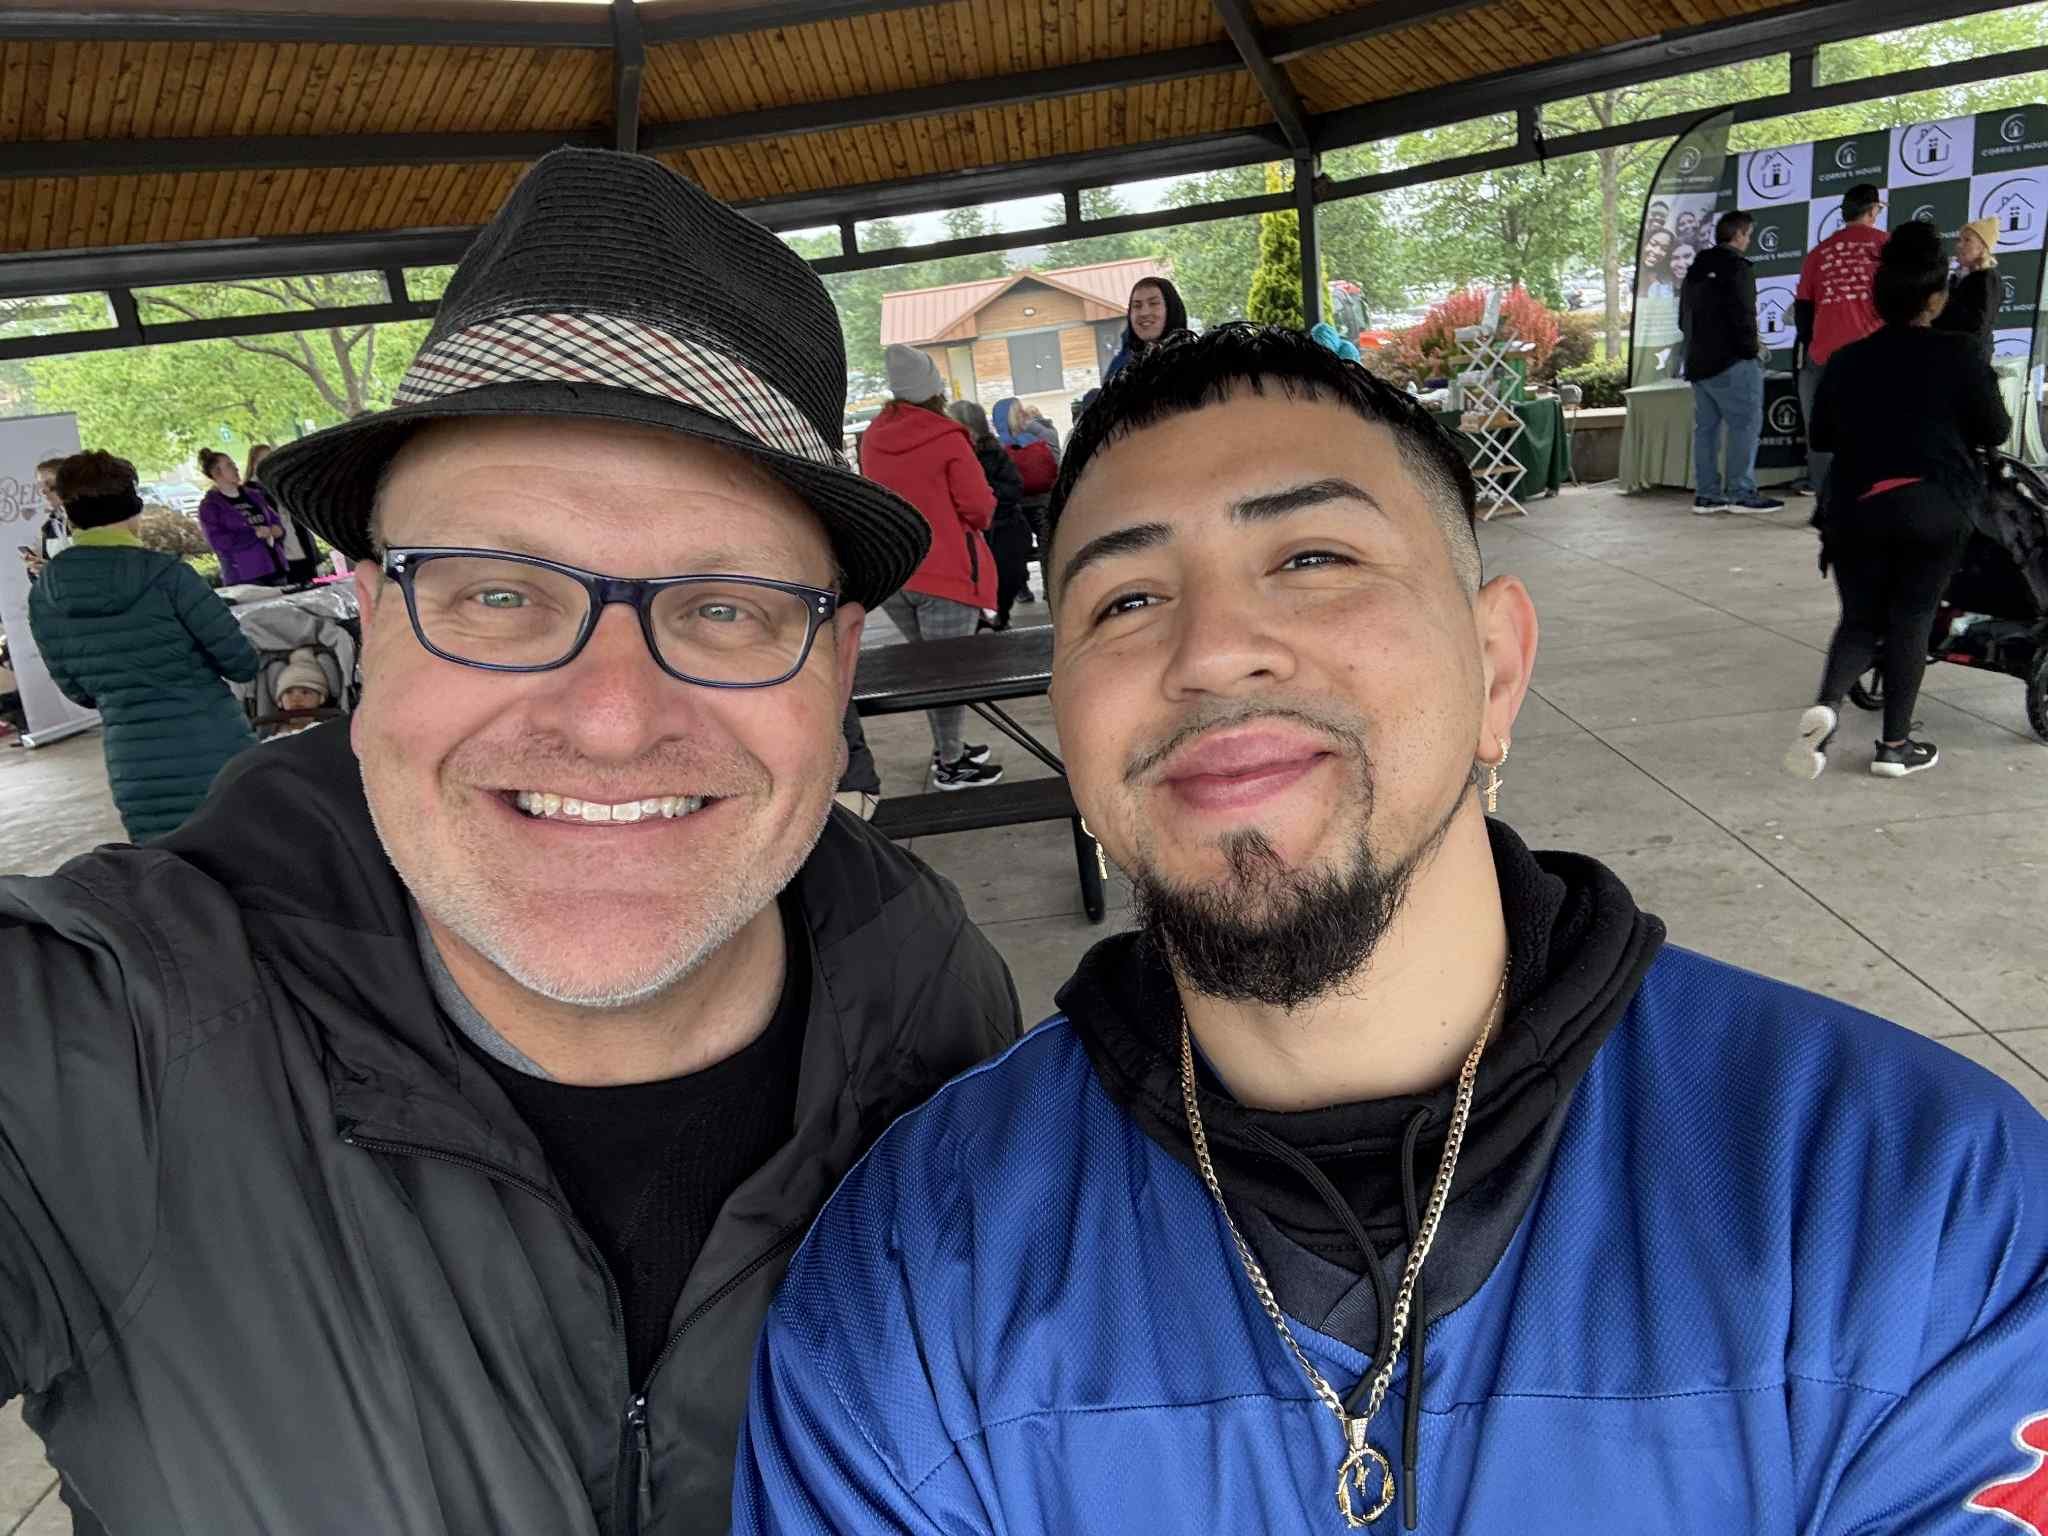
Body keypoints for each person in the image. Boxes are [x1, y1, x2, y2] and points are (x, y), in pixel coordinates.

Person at [737, 324, 2048, 1533]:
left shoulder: (1920, 1207)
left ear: (1497, 670)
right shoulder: (915, 1280)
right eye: (1124, 601)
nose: (1216, 648)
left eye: (1313, 558)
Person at [0, 147, 1019, 1536]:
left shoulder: (933, 992)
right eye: (495, 594)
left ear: (833, 661)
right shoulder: (91, 1044)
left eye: (725, 608)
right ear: (370, 616)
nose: (610, 718)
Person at [1789, 220, 2012, 781]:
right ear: (1935, 300)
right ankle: (1893, 747)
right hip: (1934, 506)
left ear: (1876, 297)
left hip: (1856, 507)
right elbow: (1996, 429)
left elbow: (1822, 439)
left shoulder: (1845, 361)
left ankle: (1829, 705)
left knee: (1859, 619)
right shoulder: (1959, 354)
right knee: (1912, 617)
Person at [25, 450, 258, 840]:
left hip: (134, 768)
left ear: (69, 512)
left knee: (170, 881)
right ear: (133, 506)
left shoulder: (44, 594)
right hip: (214, 747)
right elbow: (241, 663)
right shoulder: (170, 577)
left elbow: (78, 691)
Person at [859, 343, 1004, 789]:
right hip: (946, 574)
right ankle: (950, 764)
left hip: (897, 573)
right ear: (934, 389)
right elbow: (979, 508)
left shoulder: (872, 438)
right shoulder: (946, 437)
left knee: (930, 672)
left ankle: (951, 749)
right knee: (948, 676)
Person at [1681, 211, 1782, 515]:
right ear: (1739, 235)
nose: (1749, 240)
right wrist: (1752, 349)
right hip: (1733, 361)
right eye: (1748, 235)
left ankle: (1707, 495)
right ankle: (1741, 492)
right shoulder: (1738, 267)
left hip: (1698, 361)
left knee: (1706, 430)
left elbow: (1683, 318)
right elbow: (1744, 314)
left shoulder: (1695, 268)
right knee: (1744, 427)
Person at [1794, 184, 1888, 502]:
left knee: (1822, 432)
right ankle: (1873, 500)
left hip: (1824, 355)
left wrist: (1813, 345)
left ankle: (1828, 504)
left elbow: (1804, 310)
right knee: (1876, 429)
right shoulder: (1886, 246)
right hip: (1873, 352)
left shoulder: (1818, 253)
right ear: (1873, 210)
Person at [948, 400, 1032, 630]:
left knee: (1004, 583)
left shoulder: (990, 453)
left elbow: (1011, 488)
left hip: (1000, 532)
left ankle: (999, 619)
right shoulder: (962, 454)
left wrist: (985, 500)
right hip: (990, 533)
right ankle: (993, 620)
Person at [196, 447, 289, 587]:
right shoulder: (210, 506)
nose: (236, 469)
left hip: (275, 566)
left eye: (233, 464)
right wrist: (254, 534)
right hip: (246, 576)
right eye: (229, 465)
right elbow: (218, 541)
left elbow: (275, 522)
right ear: (216, 473)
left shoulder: (254, 495)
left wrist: (276, 530)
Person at [245, 441, 322, 585]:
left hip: (299, 547)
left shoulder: (281, 485)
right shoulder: (251, 492)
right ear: (253, 464)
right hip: (280, 554)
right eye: (263, 461)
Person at [1933, 216, 1999, 362]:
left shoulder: (1987, 277)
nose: (1959, 245)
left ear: (1982, 246)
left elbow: (1978, 324)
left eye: (1967, 240)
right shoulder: (1958, 276)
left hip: (1970, 359)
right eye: (1959, 240)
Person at [1101, 275, 1189, 383]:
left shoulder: (1193, 361)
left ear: (1171, 309)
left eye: (1153, 303)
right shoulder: (1120, 368)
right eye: (1137, 306)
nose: (1144, 313)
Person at [21, 455, 70, 581]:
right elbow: (41, 584)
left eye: (51, 486)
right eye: (40, 487)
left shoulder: (93, 522)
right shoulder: (49, 528)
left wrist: (52, 571)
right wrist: (35, 569)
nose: (43, 492)